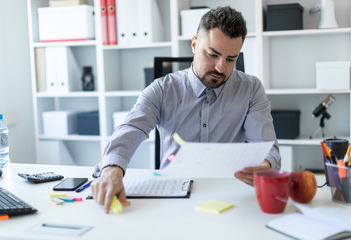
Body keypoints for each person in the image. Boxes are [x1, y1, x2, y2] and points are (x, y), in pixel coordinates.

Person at [91, 6, 281, 213]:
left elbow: (267, 148)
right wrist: (111, 169)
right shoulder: (162, 89)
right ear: (194, 44)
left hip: (230, 199)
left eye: (230, 60)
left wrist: (265, 166)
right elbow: (131, 128)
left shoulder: (251, 89)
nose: (220, 68)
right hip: (172, 198)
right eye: (212, 54)